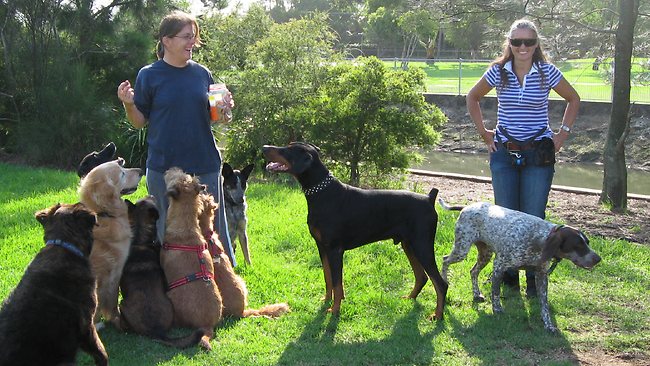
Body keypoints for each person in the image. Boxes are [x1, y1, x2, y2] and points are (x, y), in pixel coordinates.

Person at [466, 18, 580, 295]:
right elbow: (472, 97)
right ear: (510, 44)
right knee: (505, 219)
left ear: (536, 44)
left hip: (538, 154)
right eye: (517, 42)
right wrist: (485, 134)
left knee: (534, 217)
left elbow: (573, 99)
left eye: (528, 41)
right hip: (504, 153)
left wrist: (561, 135)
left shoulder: (546, 72)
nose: (523, 47)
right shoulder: (498, 72)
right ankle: (509, 277)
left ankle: (534, 277)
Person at [116, 10, 238, 266]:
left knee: (211, 229)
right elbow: (139, 121)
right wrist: (129, 104)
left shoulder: (202, 73)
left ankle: (222, 285)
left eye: (193, 37)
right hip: (164, 166)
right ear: (166, 41)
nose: (192, 42)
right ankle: (171, 284)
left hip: (204, 163)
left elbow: (214, 116)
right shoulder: (149, 75)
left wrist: (225, 110)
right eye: (186, 37)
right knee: (165, 230)